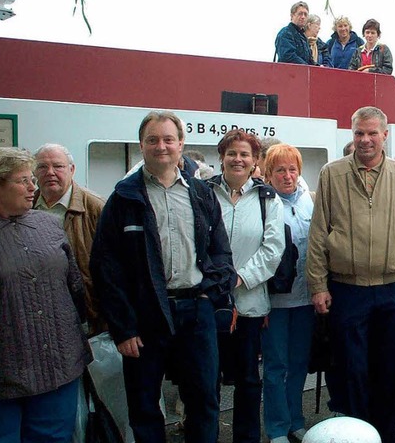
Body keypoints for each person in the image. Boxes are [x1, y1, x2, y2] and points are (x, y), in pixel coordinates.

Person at [90, 110, 236, 443]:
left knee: (204, 402)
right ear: (141, 145)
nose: (161, 147)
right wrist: (123, 328)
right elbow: (106, 268)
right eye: (153, 140)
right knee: (144, 408)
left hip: (195, 311)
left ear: (181, 144)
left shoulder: (200, 194)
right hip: (144, 318)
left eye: (169, 139)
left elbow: (220, 253)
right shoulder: (123, 200)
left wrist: (211, 293)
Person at [306, 106, 395, 443]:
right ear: (352, 135)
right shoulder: (332, 174)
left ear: (385, 135)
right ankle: (355, 434)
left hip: (394, 287)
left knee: (389, 369)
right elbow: (318, 233)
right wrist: (318, 284)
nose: (365, 140)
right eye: (359, 133)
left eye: (372, 133)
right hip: (348, 288)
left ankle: (386, 436)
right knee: (351, 369)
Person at [0, 147, 91, 442]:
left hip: (58, 364)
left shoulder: (47, 224)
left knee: (55, 437)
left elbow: (75, 286)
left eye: (32, 179)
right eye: (22, 181)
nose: (34, 187)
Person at [207, 129, 285, 443]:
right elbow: (197, 242)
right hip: (210, 302)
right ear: (222, 158)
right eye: (232, 153)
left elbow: (273, 248)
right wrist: (218, 280)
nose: (238, 159)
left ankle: (247, 438)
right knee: (207, 379)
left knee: (249, 381)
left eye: (245, 155)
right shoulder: (204, 193)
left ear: (254, 161)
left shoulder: (267, 198)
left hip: (251, 305)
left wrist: (239, 278)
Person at [261, 144, 316, 443]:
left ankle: (296, 419)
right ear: (268, 174)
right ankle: (277, 427)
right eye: (280, 170)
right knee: (275, 366)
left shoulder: (309, 202)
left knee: (298, 364)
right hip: (275, 303)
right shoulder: (263, 204)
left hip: (305, 299)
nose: (287, 175)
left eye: (292, 169)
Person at [33, 143, 106, 335]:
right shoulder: (25, 207)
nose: (50, 172)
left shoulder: (95, 208)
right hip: (40, 313)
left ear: (72, 170)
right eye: (42, 167)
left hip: (86, 315)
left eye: (58, 166)